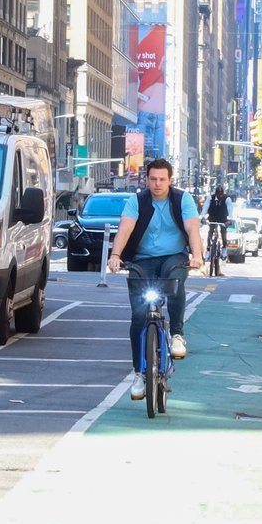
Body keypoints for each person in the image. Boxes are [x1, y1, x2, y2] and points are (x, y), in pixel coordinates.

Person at [107, 157, 203, 400]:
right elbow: (125, 228)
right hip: (142, 259)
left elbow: (192, 228)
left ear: (170, 180)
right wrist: (116, 255)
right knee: (139, 316)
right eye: (153, 179)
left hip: (174, 255)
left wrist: (198, 256)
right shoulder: (136, 201)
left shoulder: (182, 199)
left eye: (162, 179)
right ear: (146, 180)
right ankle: (139, 374)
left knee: (175, 279)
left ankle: (178, 334)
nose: (157, 184)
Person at [204, 184, 232, 273]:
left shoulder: (227, 199)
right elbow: (205, 207)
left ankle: (224, 249)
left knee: (224, 233)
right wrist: (202, 217)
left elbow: (230, 209)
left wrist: (230, 219)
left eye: (221, 194)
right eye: (218, 194)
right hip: (212, 217)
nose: (219, 196)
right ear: (215, 193)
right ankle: (208, 250)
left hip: (223, 218)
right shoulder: (210, 198)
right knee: (210, 232)